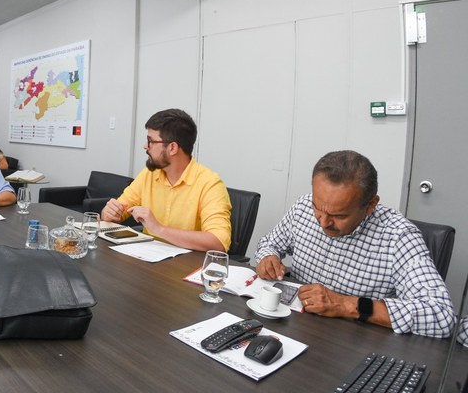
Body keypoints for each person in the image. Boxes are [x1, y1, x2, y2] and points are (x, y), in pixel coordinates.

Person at [255, 150, 455, 338]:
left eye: (338, 215)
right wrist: (268, 257)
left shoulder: (398, 237)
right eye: (318, 208)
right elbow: (269, 244)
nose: (323, 222)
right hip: (294, 326)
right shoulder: (303, 208)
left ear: (370, 205)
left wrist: (346, 305)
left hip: (353, 343)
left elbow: (440, 315)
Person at [101, 108, 231, 252]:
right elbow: (118, 212)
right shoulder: (148, 175)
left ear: (172, 148)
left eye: (150, 141)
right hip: (146, 260)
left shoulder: (210, 184)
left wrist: (159, 229)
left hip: (185, 268)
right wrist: (109, 213)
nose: (145, 146)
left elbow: (218, 242)